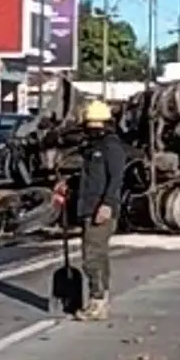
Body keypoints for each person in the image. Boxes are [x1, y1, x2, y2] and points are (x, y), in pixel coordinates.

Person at [73, 99, 127, 321]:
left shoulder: (111, 147)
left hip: (101, 209)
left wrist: (107, 204)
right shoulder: (91, 148)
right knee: (98, 256)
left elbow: (116, 179)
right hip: (88, 207)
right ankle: (100, 298)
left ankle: (97, 301)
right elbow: (90, 179)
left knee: (92, 257)